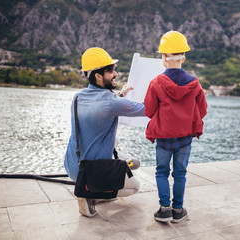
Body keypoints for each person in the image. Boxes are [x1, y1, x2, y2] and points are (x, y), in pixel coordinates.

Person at [64, 47, 145, 217]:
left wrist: (120, 94)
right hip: (93, 172)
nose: (115, 74)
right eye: (110, 71)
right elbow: (147, 109)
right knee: (134, 186)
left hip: (73, 166)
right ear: (98, 76)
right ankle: (90, 194)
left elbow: (101, 106)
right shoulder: (112, 102)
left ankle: (91, 189)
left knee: (134, 163)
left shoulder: (77, 98)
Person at [144, 31, 208, 223]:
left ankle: (164, 210)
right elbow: (202, 110)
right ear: (184, 57)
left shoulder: (155, 83)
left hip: (163, 138)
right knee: (180, 174)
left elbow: (149, 111)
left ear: (164, 56)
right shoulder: (195, 84)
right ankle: (178, 211)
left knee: (162, 172)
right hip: (185, 138)